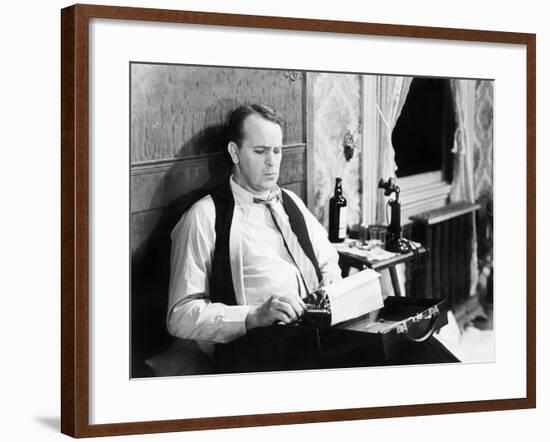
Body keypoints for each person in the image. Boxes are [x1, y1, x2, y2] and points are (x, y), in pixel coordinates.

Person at [166, 104, 341, 356]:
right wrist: (253, 316)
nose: (272, 163)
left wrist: (330, 289)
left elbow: (328, 262)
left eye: (277, 151)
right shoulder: (204, 217)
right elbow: (179, 315)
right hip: (258, 353)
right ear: (234, 153)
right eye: (260, 151)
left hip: (316, 338)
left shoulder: (291, 201)